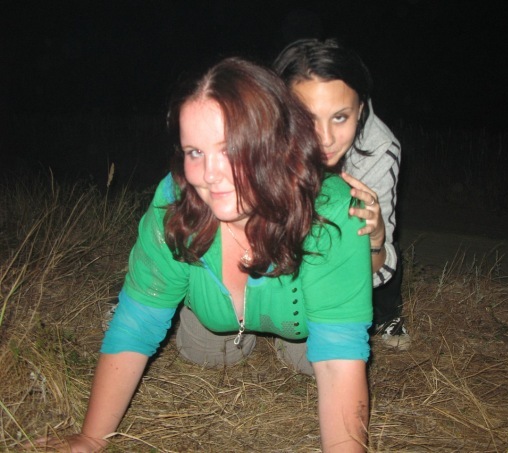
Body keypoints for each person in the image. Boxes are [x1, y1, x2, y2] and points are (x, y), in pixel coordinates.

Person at [34, 58, 372, 452]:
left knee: (311, 357)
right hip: (214, 319)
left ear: (280, 144)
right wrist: (90, 439)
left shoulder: (334, 213)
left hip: (300, 317)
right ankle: (222, 319)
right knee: (205, 351)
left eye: (229, 149)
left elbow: (338, 361)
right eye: (195, 152)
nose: (210, 174)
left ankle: (284, 332)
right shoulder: (175, 202)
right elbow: (138, 321)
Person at [273, 38, 409, 349]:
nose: (326, 139)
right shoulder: (264, 134)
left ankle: (386, 316)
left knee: (376, 229)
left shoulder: (379, 150)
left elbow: (379, 267)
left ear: (359, 110)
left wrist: (375, 240)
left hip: (346, 256)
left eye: (340, 117)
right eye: (307, 118)